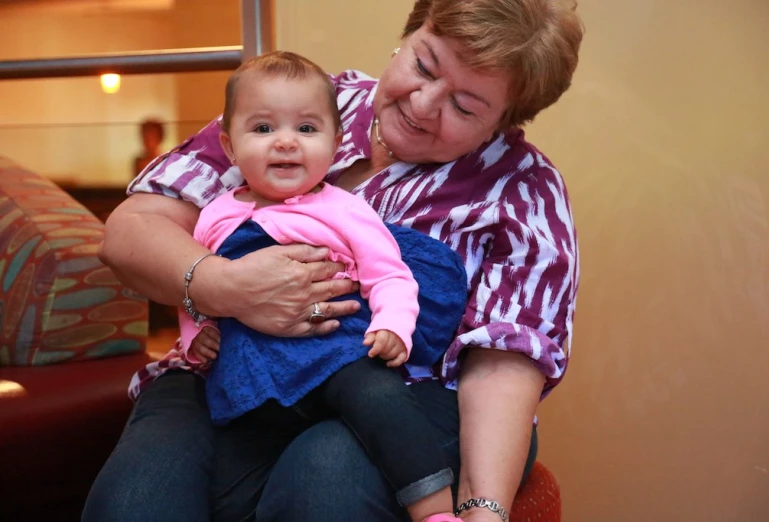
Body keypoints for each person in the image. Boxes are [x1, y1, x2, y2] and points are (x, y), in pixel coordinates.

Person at [84, 1, 583, 521]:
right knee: (137, 496)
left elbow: (501, 366)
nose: (423, 103)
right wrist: (223, 285)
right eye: (424, 65)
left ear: (503, 122)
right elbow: (130, 231)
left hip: (408, 391)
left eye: (464, 105)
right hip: (227, 361)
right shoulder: (299, 102)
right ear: (409, 33)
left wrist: (483, 509)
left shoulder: (524, 190)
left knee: (323, 479)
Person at [181, 51, 467, 522]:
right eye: (264, 129)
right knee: (229, 478)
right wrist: (197, 332)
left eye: (307, 129)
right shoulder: (214, 215)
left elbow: (389, 273)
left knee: (384, 403)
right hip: (250, 372)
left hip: (334, 356)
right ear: (230, 148)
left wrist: (394, 325)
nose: (286, 143)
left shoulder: (342, 209)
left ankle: (434, 510)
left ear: (335, 146)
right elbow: (195, 288)